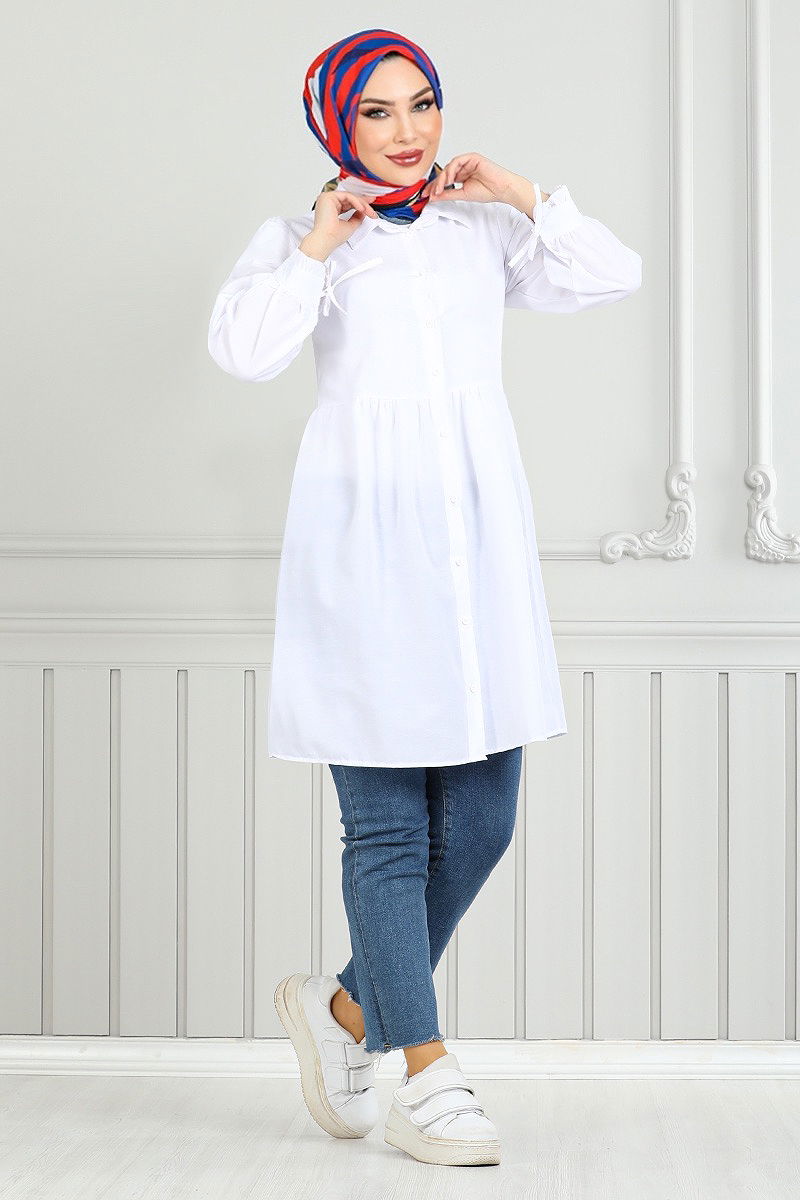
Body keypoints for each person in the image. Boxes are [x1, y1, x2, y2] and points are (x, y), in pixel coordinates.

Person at [208, 27, 642, 1168]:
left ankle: (348, 1005)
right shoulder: (302, 244)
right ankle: (425, 1072)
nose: (406, 132)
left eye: (422, 105)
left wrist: (518, 190)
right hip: (362, 558)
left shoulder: (478, 232)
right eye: (376, 112)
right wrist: (317, 244)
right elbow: (244, 352)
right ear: (334, 124)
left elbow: (613, 272)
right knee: (388, 830)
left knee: (485, 820)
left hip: (475, 556)